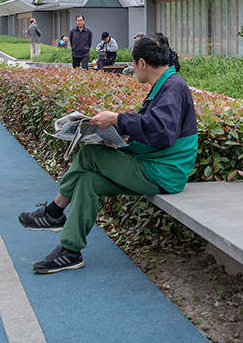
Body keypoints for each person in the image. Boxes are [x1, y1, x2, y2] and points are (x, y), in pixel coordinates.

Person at [17, 33, 198, 273]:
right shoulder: (166, 84)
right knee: (88, 181)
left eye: (132, 64)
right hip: (152, 162)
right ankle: (70, 250)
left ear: (142, 63)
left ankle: (54, 211)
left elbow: (163, 132)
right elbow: (155, 130)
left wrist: (117, 119)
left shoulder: (173, 87)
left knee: (89, 155)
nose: (132, 70)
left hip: (164, 172)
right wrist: (118, 135)